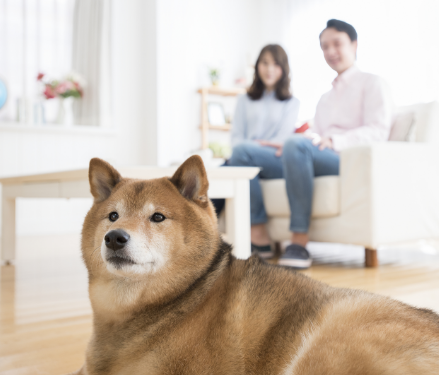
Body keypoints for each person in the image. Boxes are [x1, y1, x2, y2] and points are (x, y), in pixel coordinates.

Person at [229, 19, 393, 268]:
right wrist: (297, 144)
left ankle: (299, 242)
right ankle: (258, 234)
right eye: (324, 47)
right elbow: (315, 135)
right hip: (312, 155)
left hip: (346, 157)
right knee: (242, 153)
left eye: (336, 44)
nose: (330, 52)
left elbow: (378, 131)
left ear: (354, 44)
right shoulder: (325, 98)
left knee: (295, 145)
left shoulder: (372, 84)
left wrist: (332, 140)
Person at [212, 44, 300, 218]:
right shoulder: (244, 99)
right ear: (257, 65)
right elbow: (236, 136)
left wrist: (248, 150)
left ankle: (257, 228)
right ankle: (207, 236)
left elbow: (281, 141)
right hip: (242, 156)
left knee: (237, 158)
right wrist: (246, 150)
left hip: (274, 160)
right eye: (264, 63)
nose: (269, 69)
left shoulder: (291, 102)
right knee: (217, 177)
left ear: (283, 68)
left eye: (275, 64)